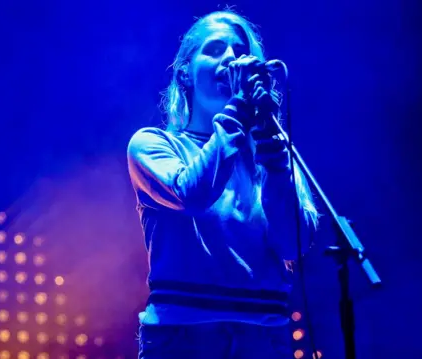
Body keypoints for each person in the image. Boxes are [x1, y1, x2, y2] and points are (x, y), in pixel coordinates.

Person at [126, 9, 319, 359]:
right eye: (214, 50)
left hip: (265, 336)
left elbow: (294, 244)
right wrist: (241, 108)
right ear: (185, 72)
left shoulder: (273, 152)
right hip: (183, 337)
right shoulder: (152, 145)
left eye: (239, 51)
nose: (230, 58)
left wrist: (272, 153)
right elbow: (193, 195)